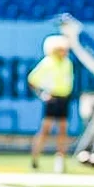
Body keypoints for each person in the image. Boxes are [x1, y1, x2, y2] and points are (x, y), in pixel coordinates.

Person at [28, 34, 73, 173]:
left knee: (63, 130)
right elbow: (32, 80)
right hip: (52, 99)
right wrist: (42, 94)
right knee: (45, 130)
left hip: (64, 98)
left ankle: (60, 161)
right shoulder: (48, 62)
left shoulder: (67, 63)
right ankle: (35, 157)